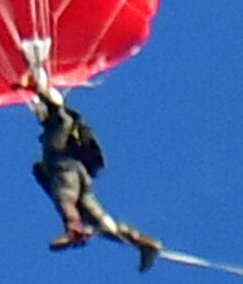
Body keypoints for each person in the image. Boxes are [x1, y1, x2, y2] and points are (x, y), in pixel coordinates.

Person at [22, 73, 160, 270]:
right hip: (79, 177)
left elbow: (56, 106)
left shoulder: (60, 121)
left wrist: (39, 88)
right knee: (102, 224)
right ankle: (144, 243)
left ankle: (73, 229)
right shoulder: (56, 128)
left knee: (65, 200)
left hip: (66, 170)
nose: (38, 114)